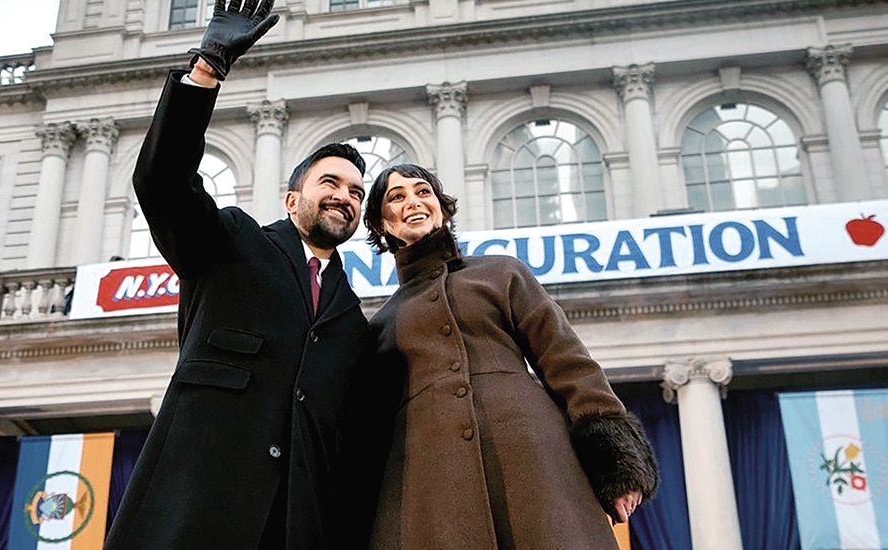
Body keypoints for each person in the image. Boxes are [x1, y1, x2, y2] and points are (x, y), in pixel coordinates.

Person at [104, 1, 374, 548]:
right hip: (197, 509)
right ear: (293, 196)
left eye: (356, 193)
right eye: (331, 182)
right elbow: (164, 182)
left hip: (298, 525)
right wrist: (207, 69)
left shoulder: (352, 318)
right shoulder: (232, 241)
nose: (344, 197)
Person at [360, 163, 659, 549]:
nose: (413, 202)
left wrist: (616, 463)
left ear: (442, 207)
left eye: (423, 192)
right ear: (382, 225)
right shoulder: (381, 324)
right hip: (431, 488)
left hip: (535, 463)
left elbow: (566, 361)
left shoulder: (501, 273)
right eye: (396, 197)